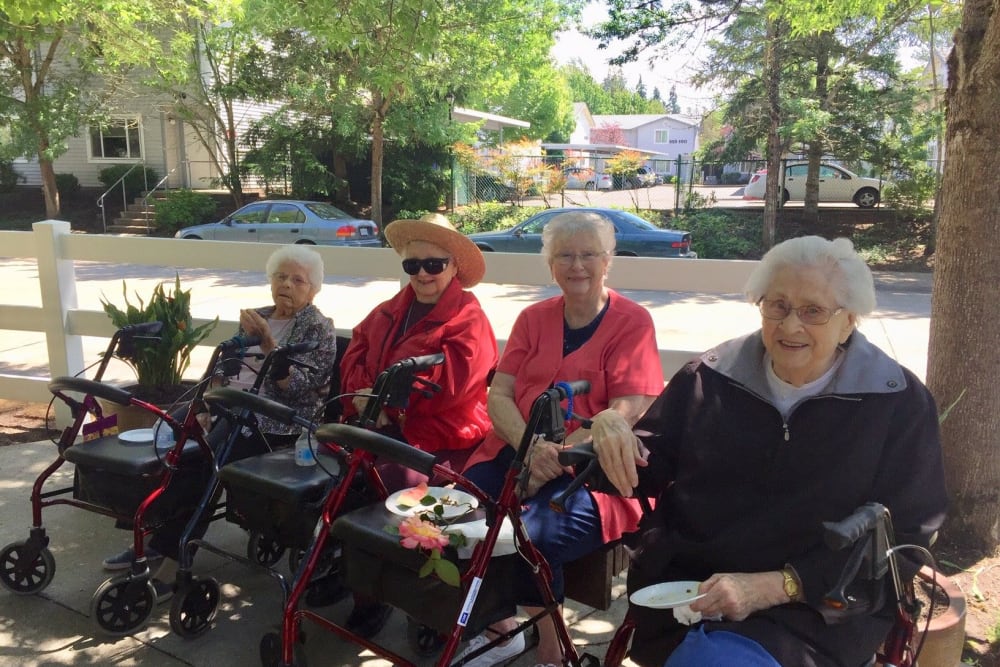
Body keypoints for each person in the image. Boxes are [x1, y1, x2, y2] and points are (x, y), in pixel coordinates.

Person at [589, 235, 948, 667]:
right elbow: (646, 463)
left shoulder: (896, 402)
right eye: (776, 305)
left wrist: (780, 585)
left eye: (813, 310)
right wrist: (608, 432)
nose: (790, 325)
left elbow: (906, 538)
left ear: (849, 320)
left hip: (815, 609)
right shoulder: (711, 376)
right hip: (688, 586)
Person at [459, 210, 664, 667]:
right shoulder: (533, 318)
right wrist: (529, 449)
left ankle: (554, 653)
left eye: (589, 255)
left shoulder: (632, 321)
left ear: (607, 260)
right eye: (565, 256)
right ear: (550, 264)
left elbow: (632, 404)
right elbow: (500, 394)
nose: (577, 266)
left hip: (592, 469)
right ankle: (502, 629)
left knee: (531, 536)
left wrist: (559, 455)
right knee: (461, 513)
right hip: (515, 449)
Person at [101, 245, 337, 602]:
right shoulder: (256, 315)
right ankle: (152, 538)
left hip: (273, 421)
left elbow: (302, 394)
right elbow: (224, 369)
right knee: (166, 440)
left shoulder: (319, 329)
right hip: (226, 406)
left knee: (206, 462)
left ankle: (175, 556)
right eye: (280, 276)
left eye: (297, 279)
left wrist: (270, 345)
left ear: (313, 288)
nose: (286, 284)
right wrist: (207, 402)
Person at [329, 212, 498, 639]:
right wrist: (370, 395)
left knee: (398, 502)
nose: (422, 273)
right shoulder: (387, 311)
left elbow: (452, 386)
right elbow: (352, 359)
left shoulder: (468, 319)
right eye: (412, 264)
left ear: (454, 266)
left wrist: (390, 404)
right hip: (381, 430)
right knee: (338, 488)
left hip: (440, 440)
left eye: (433, 264)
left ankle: (427, 603)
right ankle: (364, 587)